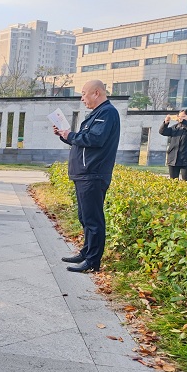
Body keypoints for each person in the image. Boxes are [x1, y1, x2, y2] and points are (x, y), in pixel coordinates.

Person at [53, 79, 120, 273]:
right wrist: (65, 135)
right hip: (85, 173)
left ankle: (92, 261)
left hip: (93, 174)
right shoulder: (97, 114)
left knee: (93, 219)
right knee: (85, 217)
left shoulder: (107, 113)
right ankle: (86, 252)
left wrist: (71, 135)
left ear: (96, 93)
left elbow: (95, 139)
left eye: (84, 94)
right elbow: (84, 142)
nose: (82, 98)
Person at [159, 109, 187, 181]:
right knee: (173, 181)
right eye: (180, 116)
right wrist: (166, 123)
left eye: (183, 116)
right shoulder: (175, 127)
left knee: (186, 181)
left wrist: (183, 122)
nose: (181, 118)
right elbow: (163, 132)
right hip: (173, 158)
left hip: (186, 158)